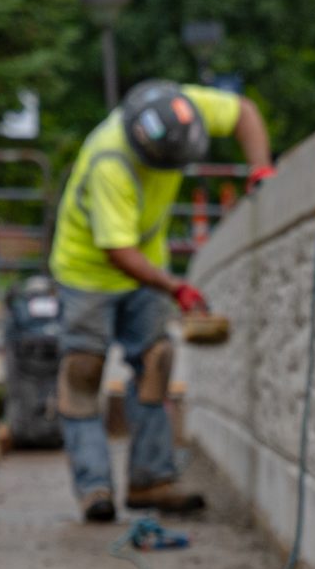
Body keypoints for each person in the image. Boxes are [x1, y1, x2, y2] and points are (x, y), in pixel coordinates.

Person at [48, 78, 272, 522]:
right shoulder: (111, 162)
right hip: (88, 271)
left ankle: (151, 479)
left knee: (156, 362)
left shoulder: (182, 108)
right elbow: (117, 251)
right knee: (83, 372)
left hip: (144, 264)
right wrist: (175, 287)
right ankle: (94, 488)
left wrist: (261, 169)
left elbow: (244, 111)